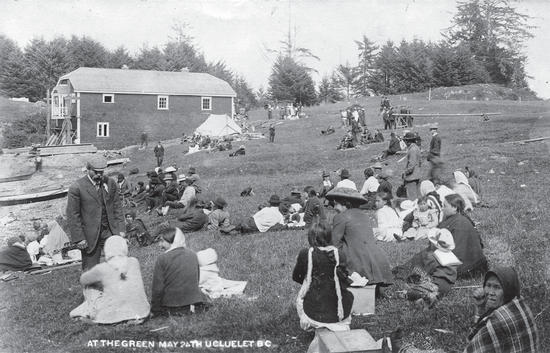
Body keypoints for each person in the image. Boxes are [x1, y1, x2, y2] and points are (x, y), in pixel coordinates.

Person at [292, 222, 354, 352]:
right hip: (340, 309)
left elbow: (296, 277)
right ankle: (330, 329)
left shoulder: (306, 253)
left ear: (311, 238)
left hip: (315, 309)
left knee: (303, 293)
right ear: (329, 237)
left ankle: (320, 328)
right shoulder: (339, 253)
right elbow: (345, 278)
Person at [69, 236, 150, 324]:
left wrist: (98, 282)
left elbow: (83, 280)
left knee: (89, 287)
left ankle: (94, 314)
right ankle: (132, 314)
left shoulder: (103, 268)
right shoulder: (134, 261)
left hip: (114, 310)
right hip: (141, 311)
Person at [67, 157, 124, 271]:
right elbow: (73, 215)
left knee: (118, 265)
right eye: (96, 172)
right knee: (91, 270)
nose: (99, 175)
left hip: (110, 231)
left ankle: (115, 288)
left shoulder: (110, 183)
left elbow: (117, 207)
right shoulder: (77, 187)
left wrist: (121, 230)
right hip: (89, 236)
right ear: (88, 169)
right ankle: (92, 288)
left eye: (101, 172)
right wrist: (79, 238)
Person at [326, 187, 392, 286]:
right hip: (378, 262)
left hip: (359, 264)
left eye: (336, 204)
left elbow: (334, 244)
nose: (334, 208)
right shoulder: (364, 216)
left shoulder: (341, 217)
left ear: (345, 203)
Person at [464, 267, 539, 352]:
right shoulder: (520, 304)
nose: (490, 292)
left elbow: (471, 347)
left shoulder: (497, 321)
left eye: (497, 287)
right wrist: (481, 308)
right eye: (488, 285)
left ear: (508, 290)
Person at [151, 226, 207, 316]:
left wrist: (155, 309)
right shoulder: (192, 254)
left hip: (172, 307)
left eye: (162, 241)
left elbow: (157, 288)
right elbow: (196, 280)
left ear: (172, 241)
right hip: (194, 303)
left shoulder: (162, 258)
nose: (159, 245)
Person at [399, 228, 459, 309]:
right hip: (447, 286)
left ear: (433, 244)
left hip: (435, 285)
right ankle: (430, 297)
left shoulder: (432, 256)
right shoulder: (451, 255)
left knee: (407, 292)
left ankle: (426, 297)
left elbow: (424, 273)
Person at [439, 194, 487, 278]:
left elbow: (459, 252)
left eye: (445, 206)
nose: (442, 208)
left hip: (467, 268)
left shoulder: (460, 223)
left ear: (454, 208)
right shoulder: (454, 218)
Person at [402, 132, 422, 200]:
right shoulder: (416, 147)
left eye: (405, 140)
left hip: (411, 177)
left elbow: (411, 165)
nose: (404, 142)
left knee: (412, 198)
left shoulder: (412, 150)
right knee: (417, 196)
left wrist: (405, 172)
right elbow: (420, 162)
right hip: (416, 174)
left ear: (408, 141)